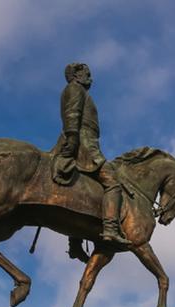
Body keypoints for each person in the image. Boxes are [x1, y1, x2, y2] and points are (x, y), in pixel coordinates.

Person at [52, 62, 132, 250]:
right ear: (76, 75)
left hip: (84, 141)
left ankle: (75, 242)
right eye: (87, 74)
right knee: (112, 183)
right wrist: (72, 140)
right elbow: (72, 115)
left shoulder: (78, 90)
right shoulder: (75, 89)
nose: (91, 78)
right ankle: (111, 228)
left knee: (82, 188)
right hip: (84, 144)